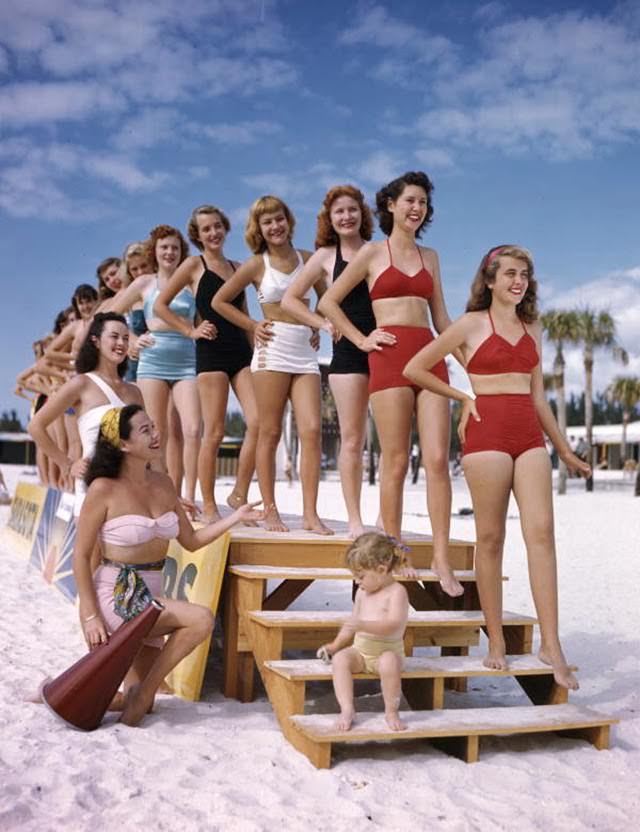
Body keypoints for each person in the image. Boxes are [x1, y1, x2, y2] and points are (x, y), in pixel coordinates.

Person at [404, 244, 591, 689]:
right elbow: (416, 367)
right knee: (490, 538)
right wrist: (465, 398)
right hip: (486, 437)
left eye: (524, 274)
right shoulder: (470, 324)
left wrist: (562, 449)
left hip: (529, 437)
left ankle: (552, 644)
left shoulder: (533, 327)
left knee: (542, 534)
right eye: (509, 273)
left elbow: (539, 396)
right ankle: (495, 643)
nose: (518, 281)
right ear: (489, 280)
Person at [319, 172, 462, 594]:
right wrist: (363, 338)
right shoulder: (369, 254)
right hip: (390, 357)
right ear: (390, 206)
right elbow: (328, 301)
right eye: (410, 201)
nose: (417, 209)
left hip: (430, 355)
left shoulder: (430, 256)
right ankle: (394, 553)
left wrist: (475, 364)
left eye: (423, 203)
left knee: (437, 459)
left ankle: (440, 555)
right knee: (396, 460)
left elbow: (443, 320)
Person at [74, 404, 261, 726]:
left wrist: (235, 518)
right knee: (200, 619)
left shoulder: (164, 482)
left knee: (135, 704)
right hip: (116, 597)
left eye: (154, 427)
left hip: (152, 596)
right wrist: (90, 616)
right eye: (145, 430)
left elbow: (191, 541)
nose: (156, 435)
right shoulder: (103, 489)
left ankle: (70, 693)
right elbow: (80, 555)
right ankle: (146, 692)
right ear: (123, 444)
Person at [212, 195, 332, 534]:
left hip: (304, 353)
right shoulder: (255, 265)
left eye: (279, 218)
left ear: (288, 220)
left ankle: (310, 513)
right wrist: (251, 325)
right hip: (272, 349)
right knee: (270, 431)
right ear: (259, 229)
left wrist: (315, 324)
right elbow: (219, 301)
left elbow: (328, 300)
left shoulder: (308, 260)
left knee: (311, 430)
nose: (275, 226)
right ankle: (271, 510)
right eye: (267, 222)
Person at [282, 185, 376, 537]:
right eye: (339, 212)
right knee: (352, 439)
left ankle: (387, 517)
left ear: (361, 214)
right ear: (329, 218)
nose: (347, 216)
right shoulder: (323, 256)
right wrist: (322, 323)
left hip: (384, 349)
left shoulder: (377, 251)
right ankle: (355, 519)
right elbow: (292, 300)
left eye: (352, 209)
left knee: (387, 445)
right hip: (348, 355)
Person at [154, 205, 258, 522]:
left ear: (225, 228)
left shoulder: (238, 266)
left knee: (260, 423)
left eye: (217, 226)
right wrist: (190, 330)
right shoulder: (193, 266)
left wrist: (256, 352)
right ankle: (209, 504)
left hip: (241, 352)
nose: (213, 233)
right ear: (197, 236)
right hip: (210, 352)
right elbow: (160, 305)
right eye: (206, 229)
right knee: (213, 432)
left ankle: (239, 490)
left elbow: (244, 315)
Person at [108, 226, 212, 507]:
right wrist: (130, 338)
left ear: (182, 252)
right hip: (152, 362)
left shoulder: (192, 283)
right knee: (156, 434)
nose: (170, 252)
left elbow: (207, 316)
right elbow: (110, 314)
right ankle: (162, 496)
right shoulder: (144, 283)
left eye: (175, 248)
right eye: (164, 247)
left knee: (192, 429)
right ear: (155, 251)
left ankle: (190, 497)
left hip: (188, 361)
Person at [28, 313, 144, 520]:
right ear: (96, 341)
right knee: (90, 553)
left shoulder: (134, 391)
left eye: (126, 338)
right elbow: (36, 426)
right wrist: (68, 464)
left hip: (133, 490)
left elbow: (146, 443)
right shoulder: (81, 384)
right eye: (115, 337)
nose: (121, 343)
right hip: (94, 487)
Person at [317, 532, 409, 732]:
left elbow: (393, 624)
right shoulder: (361, 593)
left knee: (389, 662)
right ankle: (347, 709)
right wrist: (334, 646)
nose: (357, 582)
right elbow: (351, 625)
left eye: (361, 577)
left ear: (382, 569)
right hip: (361, 653)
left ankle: (391, 711)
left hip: (387, 652)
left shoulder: (397, 592)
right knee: (341, 659)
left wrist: (363, 625)